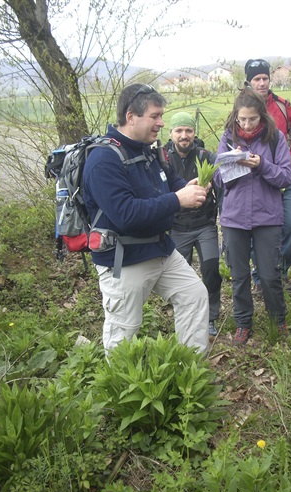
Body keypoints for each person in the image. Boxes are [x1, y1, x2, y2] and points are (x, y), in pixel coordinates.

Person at [83, 83, 211, 355]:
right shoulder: (104, 159)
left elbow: (169, 182)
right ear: (131, 117)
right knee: (124, 332)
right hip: (125, 257)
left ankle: (189, 372)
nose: (161, 123)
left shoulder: (148, 149)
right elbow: (126, 214)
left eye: (161, 116)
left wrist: (191, 186)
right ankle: (118, 390)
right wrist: (179, 200)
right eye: (155, 116)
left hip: (160, 249)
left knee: (194, 296)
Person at [213, 87, 291, 346]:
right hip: (234, 217)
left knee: (270, 274)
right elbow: (216, 179)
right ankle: (243, 323)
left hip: (267, 216)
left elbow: (286, 177)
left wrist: (261, 165)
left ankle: (277, 321)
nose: (246, 124)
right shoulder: (227, 137)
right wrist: (232, 163)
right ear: (235, 116)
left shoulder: (274, 138)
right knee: (239, 275)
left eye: (252, 119)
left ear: (262, 115)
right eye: (242, 119)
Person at [244, 59, 291, 294]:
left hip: (282, 179)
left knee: (289, 228)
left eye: (265, 78)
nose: (262, 83)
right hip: (255, 183)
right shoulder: (242, 108)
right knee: (257, 232)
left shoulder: (282, 106)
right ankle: (260, 277)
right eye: (256, 79)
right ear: (248, 82)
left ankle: (280, 273)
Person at [166, 112, 222, 337]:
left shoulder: (206, 156)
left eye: (188, 130)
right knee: (181, 276)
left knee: (211, 270)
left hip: (204, 225)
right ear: (171, 134)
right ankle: (185, 315)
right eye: (179, 130)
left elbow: (223, 187)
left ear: (194, 133)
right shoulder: (163, 159)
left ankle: (211, 317)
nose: (184, 135)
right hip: (177, 227)